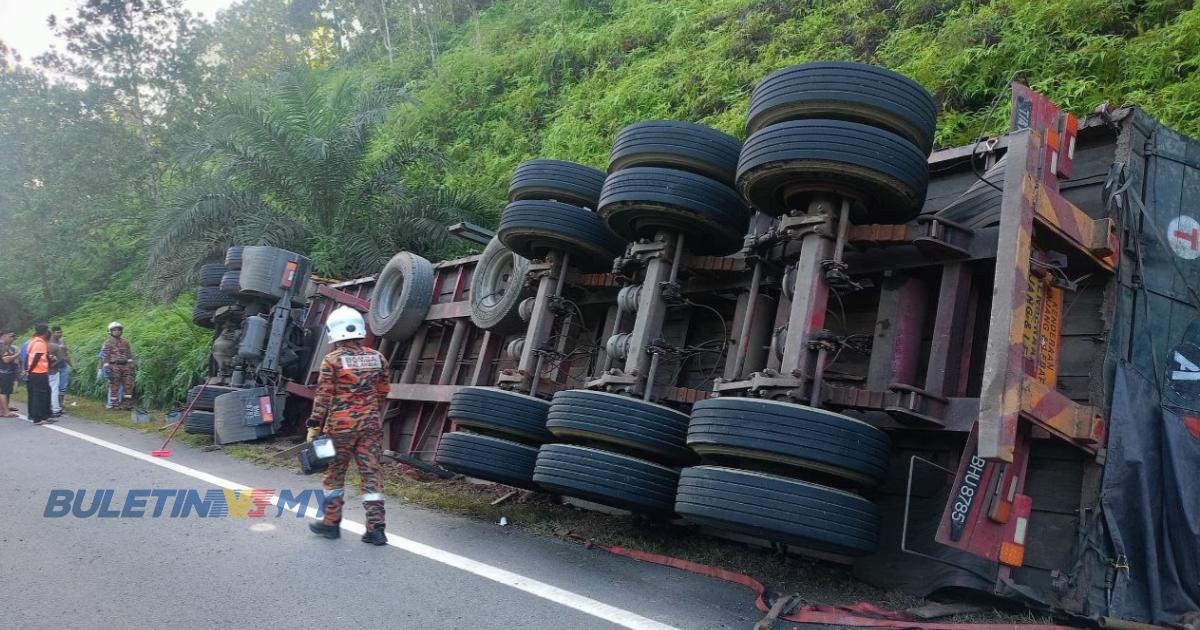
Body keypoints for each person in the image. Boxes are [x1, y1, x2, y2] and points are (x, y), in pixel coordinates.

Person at [306, 306, 390, 545]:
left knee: (334, 475)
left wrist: (314, 425)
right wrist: (369, 410)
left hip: (340, 428)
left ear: (335, 332)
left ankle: (331, 523)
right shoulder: (377, 357)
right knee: (371, 475)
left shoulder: (332, 360)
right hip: (370, 427)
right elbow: (383, 391)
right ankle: (376, 530)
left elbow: (323, 396)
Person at [100, 321, 134, 410]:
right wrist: (106, 368)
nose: (117, 332)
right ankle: (114, 405)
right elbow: (105, 356)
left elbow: (129, 354)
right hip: (114, 366)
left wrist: (130, 365)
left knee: (128, 385)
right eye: (114, 330)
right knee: (114, 386)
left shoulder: (125, 342)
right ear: (110, 331)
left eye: (118, 330)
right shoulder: (107, 343)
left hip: (125, 366)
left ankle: (127, 404)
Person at [26, 324, 54, 425]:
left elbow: (30, 356)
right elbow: (36, 358)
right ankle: (38, 418)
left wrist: (28, 370)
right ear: (45, 332)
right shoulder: (40, 343)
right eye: (48, 331)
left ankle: (45, 415)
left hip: (38, 372)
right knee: (40, 395)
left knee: (45, 393)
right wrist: (30, 370)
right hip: (39, 373)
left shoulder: (33, 341)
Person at [49, 326, 72, 413]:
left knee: (63, 387)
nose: (59, 334)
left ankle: (60, 404)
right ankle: (54, 405)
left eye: (60, 332)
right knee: (54, 388)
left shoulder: (62, 341)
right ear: (53, 333)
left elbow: (65, 355)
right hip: (54, 368)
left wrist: (71, 365)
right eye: (57, 332)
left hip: (63, 366)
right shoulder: (50, 342)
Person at [0, 330, 19, 418]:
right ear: (4, 336)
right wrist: (18, 354)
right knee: (4, 392)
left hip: (7, 372)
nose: (13, 338)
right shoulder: (2, 346)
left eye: (14, 336)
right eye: (11, 336)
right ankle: (5, 412)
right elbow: (6, 360)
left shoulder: (9, 347)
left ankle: (3, 410)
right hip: (3, 372)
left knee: (6, 391)